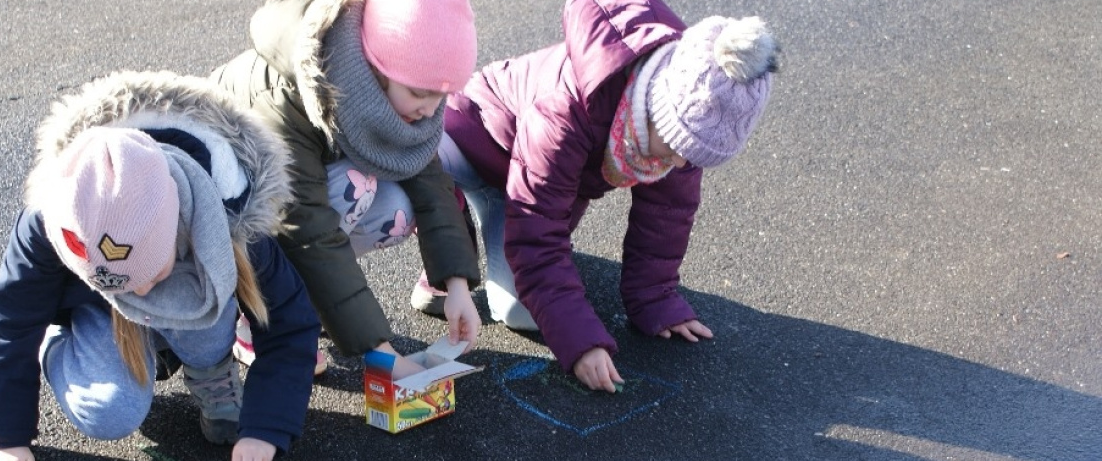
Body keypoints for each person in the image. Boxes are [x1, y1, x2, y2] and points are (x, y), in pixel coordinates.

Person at [0, 71, 321, 461]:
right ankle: (61, 342)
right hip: (98, 310)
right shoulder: (50, 218)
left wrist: (267, 428)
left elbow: (291, 322)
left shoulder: (230, 213)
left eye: (153, 274)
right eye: (129, 285)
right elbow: (9, 321)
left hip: (191, 295)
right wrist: (7, 438)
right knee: (109, 411)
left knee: (208, 322)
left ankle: (210, 369)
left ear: (180, 228)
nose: (144, 293)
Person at [440, 0, 780, 392]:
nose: (680, 161)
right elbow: (537, 235)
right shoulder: (566, 109)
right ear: (655, 106)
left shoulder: (681, 135)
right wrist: (580, 345)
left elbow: (667, 216)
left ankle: (486, 229)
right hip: (476, 140)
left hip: (531, 186)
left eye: (693, 154)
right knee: (426, 175)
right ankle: (451, 234)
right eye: (673, 147)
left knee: (520, 312)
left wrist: (655, 299)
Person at [211, 0, 483, 379]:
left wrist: (457, 284)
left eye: (442, 96)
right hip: (233, 220)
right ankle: (260, 317)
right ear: (376, 66)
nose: (429, 110)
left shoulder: (392, 84)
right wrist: (380, 353)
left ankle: (310, 302)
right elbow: (308, 231)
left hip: (303, 193)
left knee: (397, 207)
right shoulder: (284, 95)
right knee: (355, 187)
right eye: (420, 95)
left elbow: (427, 176)